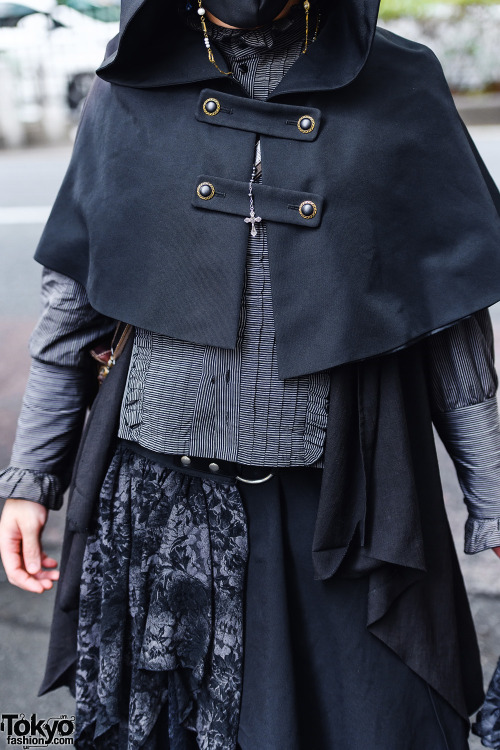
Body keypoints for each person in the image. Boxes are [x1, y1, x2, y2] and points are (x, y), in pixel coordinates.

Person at [1, 0, 500, 747]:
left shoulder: (401, 79)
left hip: (347, 518)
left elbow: (447, 319)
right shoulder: (126, 80)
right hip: (158, 511)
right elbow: (71, 307)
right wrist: (31, 479)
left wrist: (493, 498)